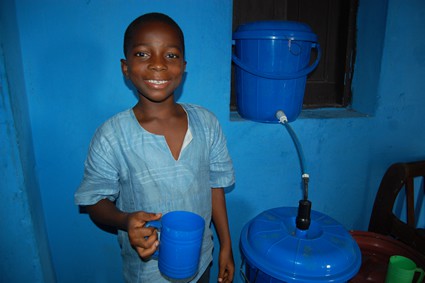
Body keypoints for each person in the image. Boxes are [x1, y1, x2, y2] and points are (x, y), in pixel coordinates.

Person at [74, 12, 235, 283]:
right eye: (142, 54)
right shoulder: (112, 136)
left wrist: (226, 247)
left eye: (170, 55)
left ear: (183, 65)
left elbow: (215, 187)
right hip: (147, 273)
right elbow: (93, 200)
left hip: (201, 260)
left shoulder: (206, 123)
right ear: (125, 67)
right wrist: (126, 221)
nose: (158, 65)